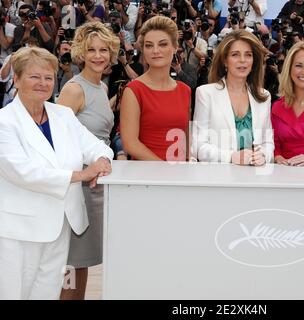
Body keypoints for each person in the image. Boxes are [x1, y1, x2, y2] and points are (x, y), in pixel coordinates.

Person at [0, 46, 113, 300]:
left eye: (48, 77)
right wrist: (81, 175)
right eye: (34, 76)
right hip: (20, 229)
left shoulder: (63, 115)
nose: (43, 83)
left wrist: (103, 159)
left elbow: (94, 146)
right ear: (16, 79)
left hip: (61, 226)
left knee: (48, 293)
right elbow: (23, 172)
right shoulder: (4, 121)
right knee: (14, 294)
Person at [56, 21, 119, 300]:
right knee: (71, 263)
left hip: (95, 185)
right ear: (81, 52)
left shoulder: (102, 87)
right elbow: (56, 140)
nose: (97, 56)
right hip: (78, 185)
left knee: (82, 263)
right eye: (91, 50)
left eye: (103, 50)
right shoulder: (74, 89)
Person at [192, 29, 273, 165]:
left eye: (248, 55)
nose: (242, 60)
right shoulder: (205, 94)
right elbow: (199, 146)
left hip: (254, 178)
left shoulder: (264, 96)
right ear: (225, 60)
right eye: (235, 55)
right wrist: (231, 156)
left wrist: (264, 155)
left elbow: (268, 143)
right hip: (219, 178)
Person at [120, 16, 191, 161]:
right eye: (149, 45)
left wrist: (185, 169)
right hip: (146, 178)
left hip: (180, 175)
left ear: (175, 47)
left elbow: (186, 137)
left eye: (163, 44)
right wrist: (164, 170)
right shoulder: (134, 90)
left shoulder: (185, 90)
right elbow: (130, 144)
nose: (155, 51)